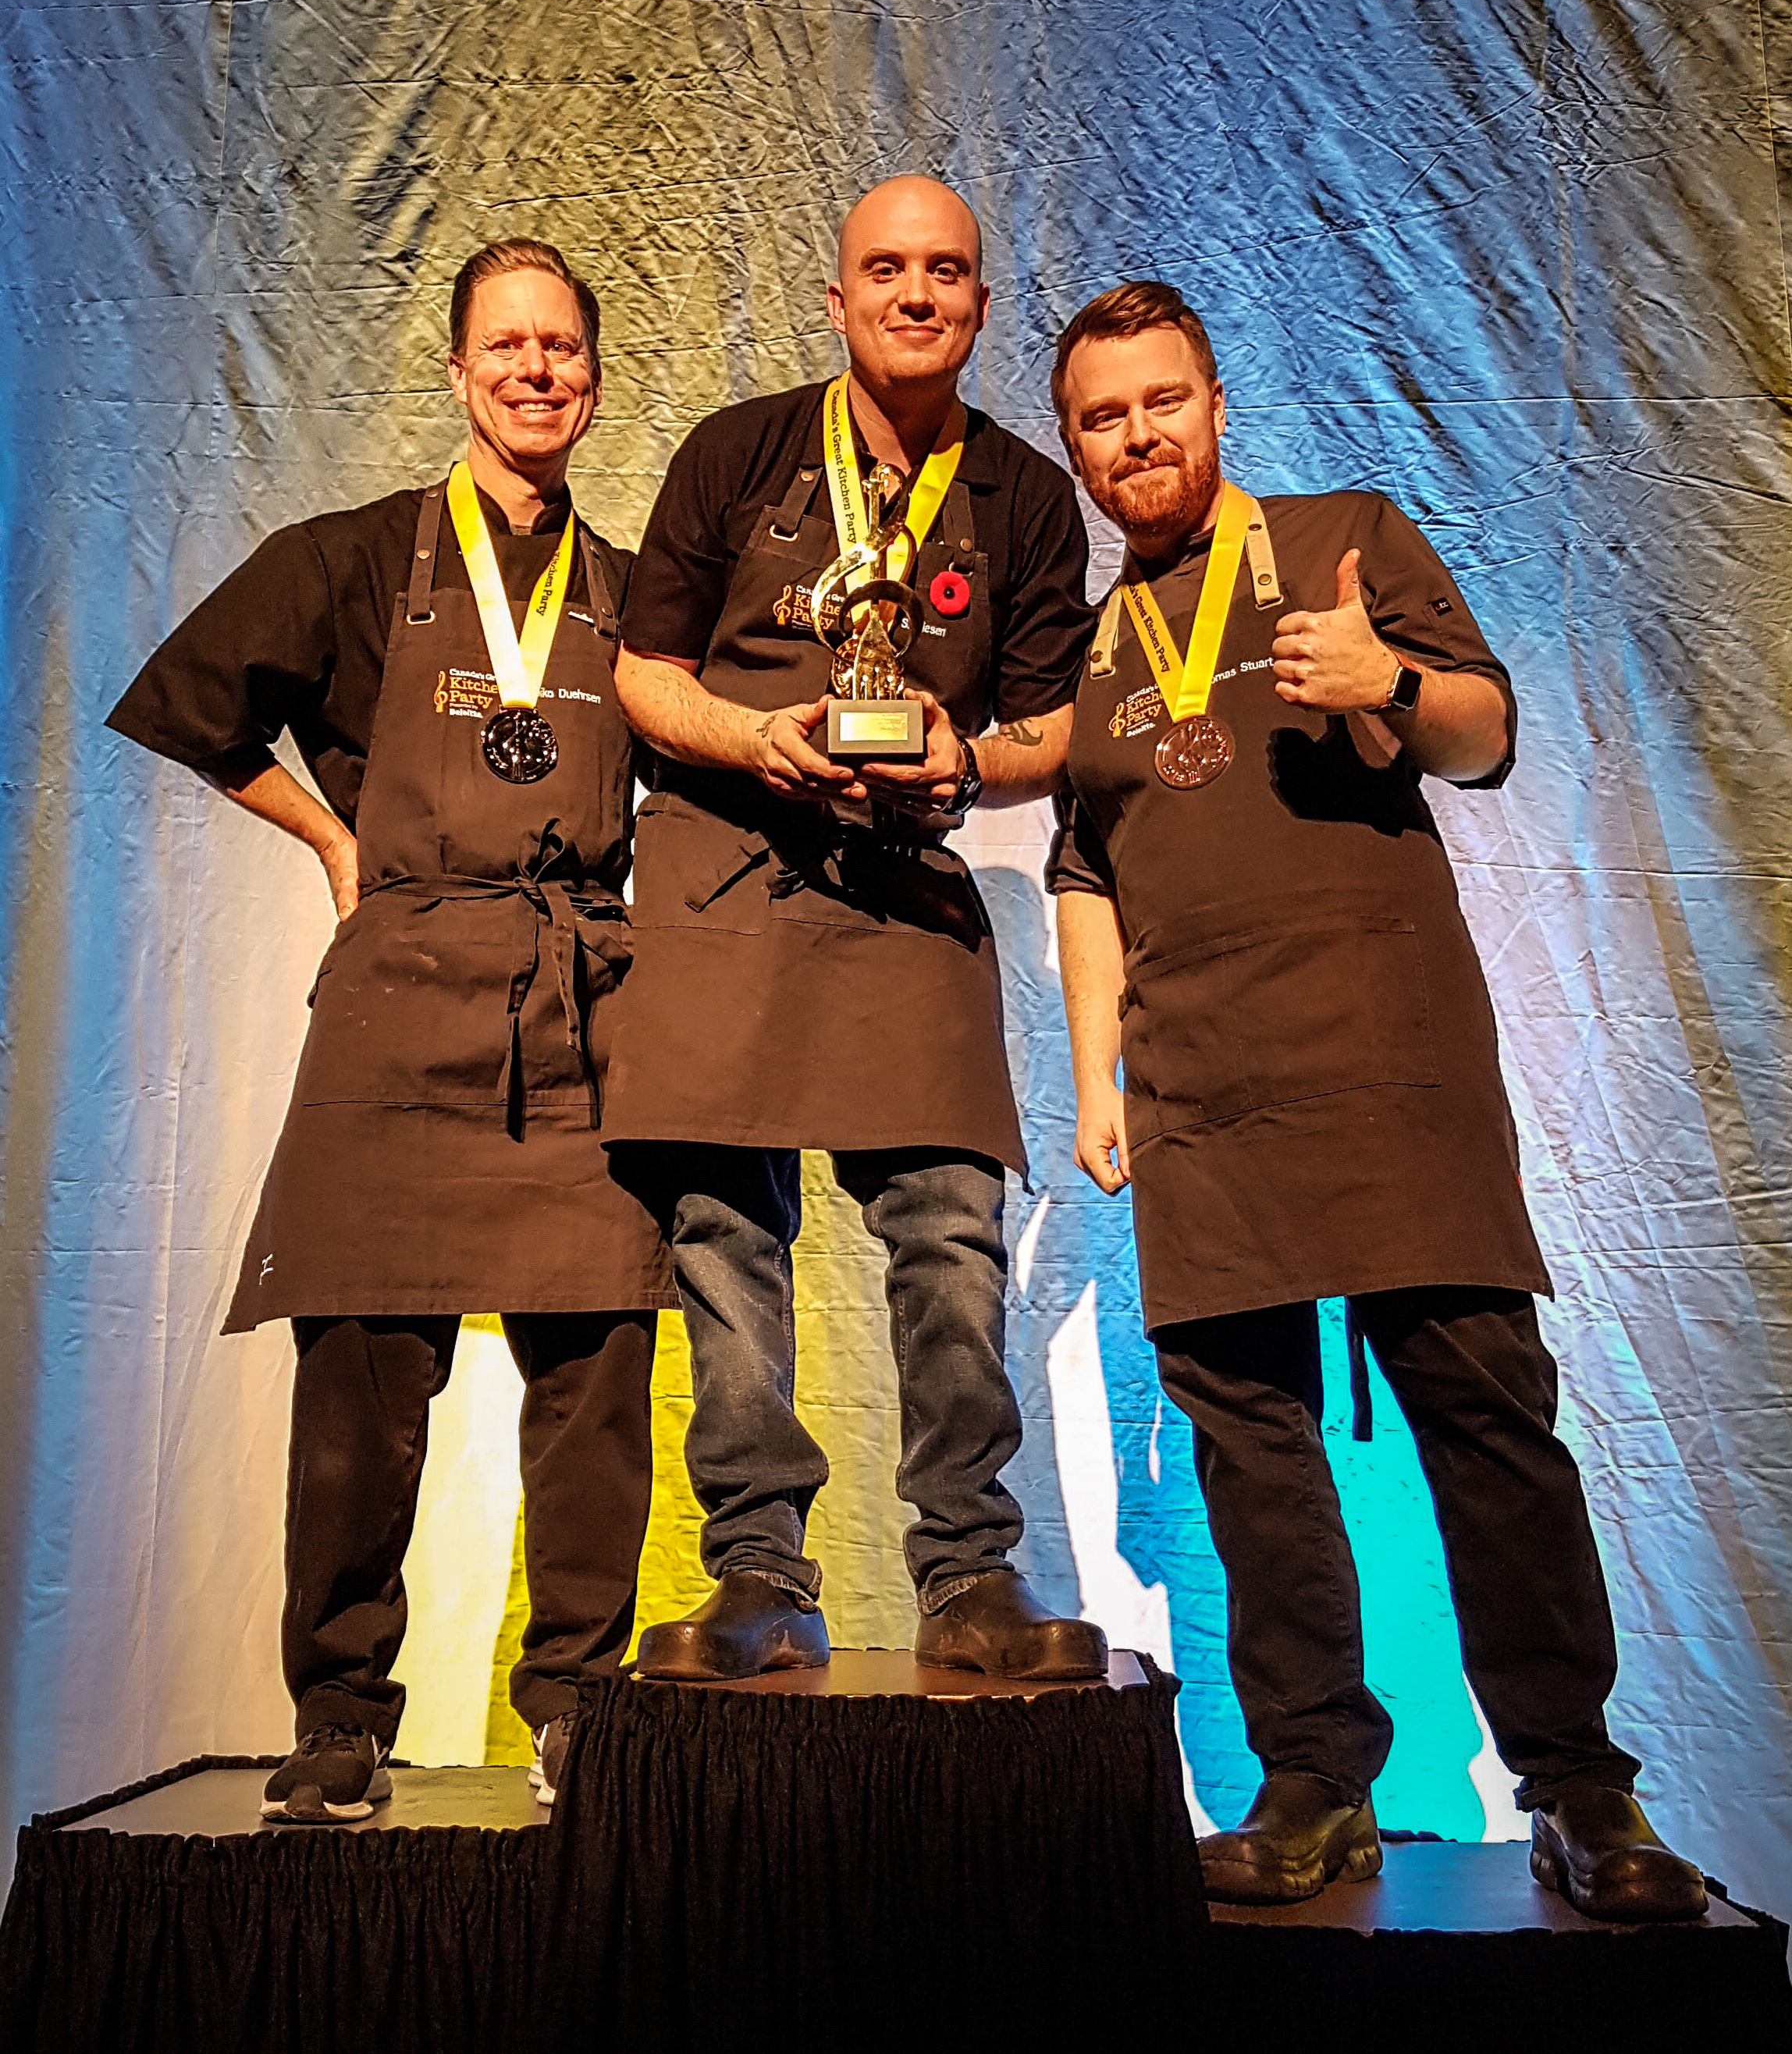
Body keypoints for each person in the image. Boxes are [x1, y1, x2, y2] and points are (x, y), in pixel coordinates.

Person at [1046, 278, 1705, 1921]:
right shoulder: (1095, 647)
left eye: (1161, 401)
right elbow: (1085, 870)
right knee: (1247, 1447)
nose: (1136, 435)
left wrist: (1384, 682)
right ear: (1075, 448)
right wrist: (1095, 1074)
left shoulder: (1343, 538)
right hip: (1200, 1092)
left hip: (1387, 1062)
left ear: (1214, 404)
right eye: (1102, 417)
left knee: (1487, 1422)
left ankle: (1581, 1786)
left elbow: (1483, 735)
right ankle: (1314, 1783)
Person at [108, 239, 670, 1821]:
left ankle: (577, 1706)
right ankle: (340, 1710)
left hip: (579, 1003)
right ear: (458, 370)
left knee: (596, 1381)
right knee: (357, 1383)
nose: (537, 369)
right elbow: (194, 701)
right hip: (398, 999)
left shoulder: (633, 592)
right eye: (509, 344)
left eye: (562, 347)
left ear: (593, 379)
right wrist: (330, 836)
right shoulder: (354, 558)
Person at [603, 175, 1106, 1682]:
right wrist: (760, 739)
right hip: (724, 877)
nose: (915, 293)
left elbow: (1053, 724)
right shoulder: (737, 451)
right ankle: (760, 1570)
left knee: (950, 1228)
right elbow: (644, 672)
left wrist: (970, 762)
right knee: (724, 1235)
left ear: (981, 305)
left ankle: (969, 1572)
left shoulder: (1024, 496)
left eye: (944, 271)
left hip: (905, 887)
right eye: (886, 269)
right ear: (837, 299)